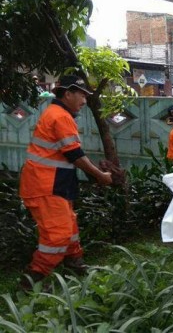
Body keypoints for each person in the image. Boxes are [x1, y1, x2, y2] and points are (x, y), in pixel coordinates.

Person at [19, 75, 113, 290]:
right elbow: (76, 156)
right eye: (81, 94)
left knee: (69, 227)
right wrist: (100, 175)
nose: (85, 100)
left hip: (52, 183)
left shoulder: (58, 114)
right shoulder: (60, 116)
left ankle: (75, 263)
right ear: (67, 93)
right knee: (59, 235)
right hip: (45, 185)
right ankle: (32, 279)